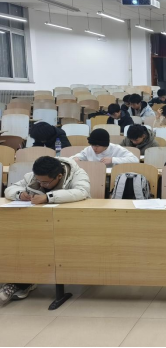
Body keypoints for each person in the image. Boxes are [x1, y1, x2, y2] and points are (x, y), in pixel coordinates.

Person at [1, 156, 91, 306]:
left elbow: (81, 192)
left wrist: (48, 197)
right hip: (39, 223)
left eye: (45, 182)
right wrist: (19, 194)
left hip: (71, 221)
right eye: (39, 181)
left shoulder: (77, 173)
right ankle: (22, 281)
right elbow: (10, 189)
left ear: (59, 176)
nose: (41, 184)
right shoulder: (34, 176)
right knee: (21, 240)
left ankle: (22, 282)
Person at [72, 128, 139, 166]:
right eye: (92, 145)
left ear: (105, 145)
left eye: (97, 146)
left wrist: (112, 160)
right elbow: (73, 158)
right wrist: (75, 159)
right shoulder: (88, 150)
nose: (94, 148)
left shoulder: (116, 149)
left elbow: (135, 160)